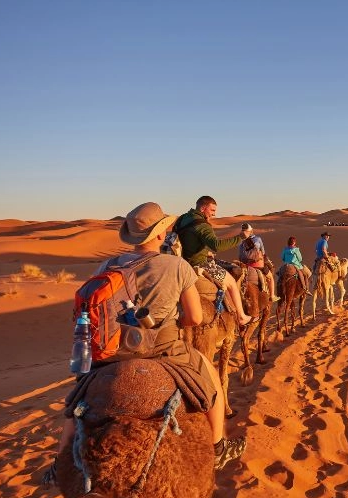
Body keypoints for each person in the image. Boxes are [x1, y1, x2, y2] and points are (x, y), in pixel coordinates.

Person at [47, 202, 246, 482]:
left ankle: (60, 464)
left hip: (111, 351)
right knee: (210, 380)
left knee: (78, 400)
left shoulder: (108, 265)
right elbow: (195, 318)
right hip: (162, 349)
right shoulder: (176, 266)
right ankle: (218, 447)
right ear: (160, 235)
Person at [175, 195, 254, 326]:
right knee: (231, 283)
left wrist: (205, 251)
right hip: (200, 263)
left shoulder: (183, 219)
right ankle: (241, 316)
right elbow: (216, 245)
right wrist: (241, 237)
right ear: (203, 208)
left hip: (183, 262)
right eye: (212, 210)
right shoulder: (203, 225)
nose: (214, 214)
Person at [239, 222, 279, 302]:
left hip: (246, 267)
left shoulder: (241, 243)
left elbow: (240, 257)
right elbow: (263, 252)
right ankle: (272, 296)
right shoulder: (258, 239)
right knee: (270, 277)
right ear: (251, 231)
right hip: (258, 266)